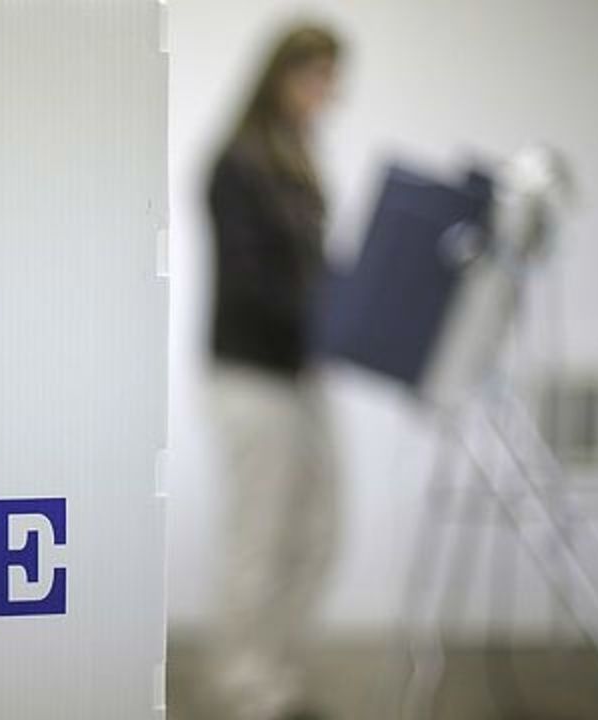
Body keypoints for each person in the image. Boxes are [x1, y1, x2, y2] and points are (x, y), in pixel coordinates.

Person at [204, 23, 342, 720]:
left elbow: (314, 272)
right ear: (280, 75)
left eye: (331, 79)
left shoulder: (301, 162)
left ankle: (281, 670)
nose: (327, 93)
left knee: (318, 527)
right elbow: (255, 281)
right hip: (251, 374)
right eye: (316, 77)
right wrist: (326, 308)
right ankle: (244, 684)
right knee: (258, 533)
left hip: (303, 374)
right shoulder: (238, 164)